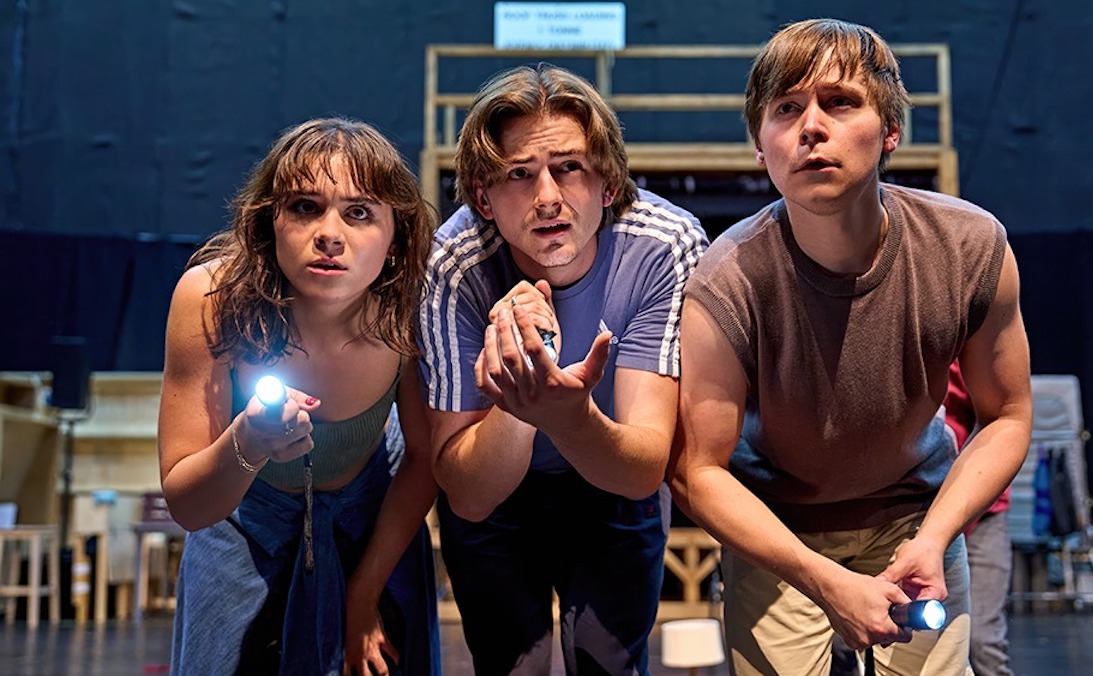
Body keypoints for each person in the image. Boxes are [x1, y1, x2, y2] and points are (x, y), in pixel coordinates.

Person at [668, 18, 1032, 675]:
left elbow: (1007, 415)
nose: (811, 126)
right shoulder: (725, 280)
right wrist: (824, 580)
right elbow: (699, 470)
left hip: (915, 516)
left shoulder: (969, 247)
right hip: (777, 530)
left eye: (839, 102)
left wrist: (935, 537)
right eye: (786, 109)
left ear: (890, 130)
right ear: (760, 145)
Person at [418, 63, 707, 673]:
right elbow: (468, 496)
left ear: (608, 183)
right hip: (499, 484)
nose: (547, 197)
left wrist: (568, 415)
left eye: (569, 167)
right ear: (483, 199)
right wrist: (522, 399)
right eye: (518, 174)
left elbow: (641, 471)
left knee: (607, 664)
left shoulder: (665, 244)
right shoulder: (454, 262)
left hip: (609, 476)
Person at [157, 117, 440, 675]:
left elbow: (425, 458)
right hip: (243, 525)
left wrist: (363, 596)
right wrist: (248, 443)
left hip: (374, 526)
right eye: (306, 207)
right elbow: (191, 507)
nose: (330, 234)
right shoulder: (212, 298)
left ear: (396, 237)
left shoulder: (414, 304)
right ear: (270, 222)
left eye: (359, 213)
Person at [945, 360, 1014, 676]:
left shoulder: (971, 345)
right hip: (915, 510)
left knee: (982, 639)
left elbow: (1002, 418)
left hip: (982, 512)